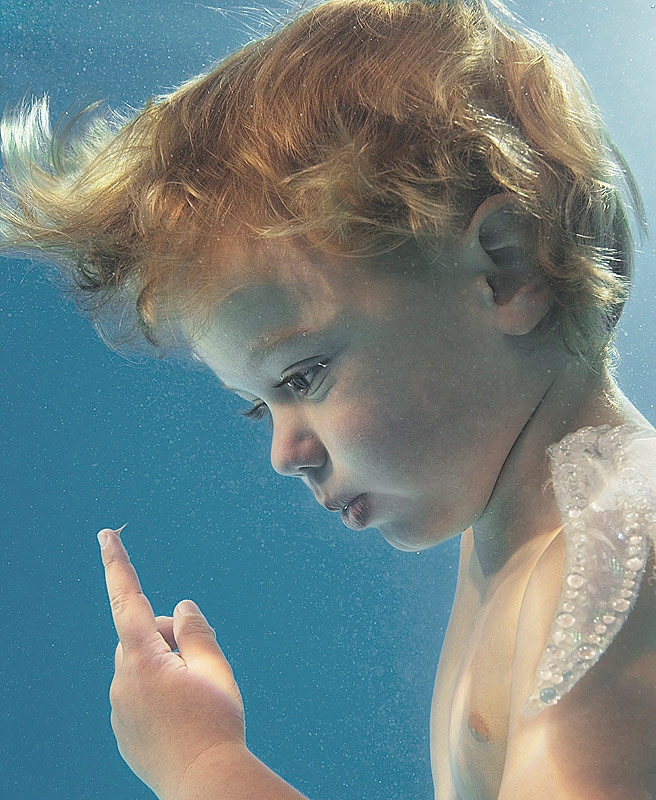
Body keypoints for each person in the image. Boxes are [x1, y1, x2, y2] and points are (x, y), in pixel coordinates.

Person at [2, 0, 655, 797]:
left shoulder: (617, 556)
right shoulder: (518, 544)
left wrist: (202, 766)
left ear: (505, 269)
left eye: (301, 378)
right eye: (260, 407)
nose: (284, 453)